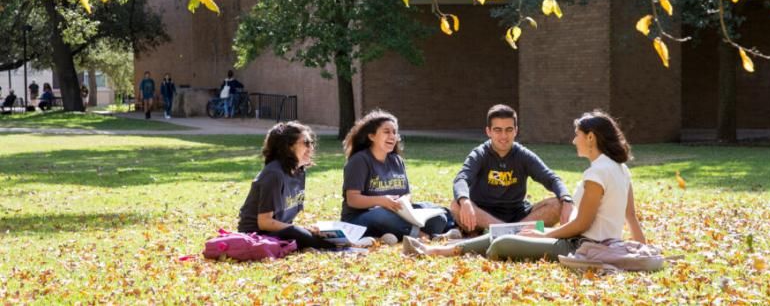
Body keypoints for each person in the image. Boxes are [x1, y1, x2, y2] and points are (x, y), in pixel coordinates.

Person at [404, 110, 646, 261]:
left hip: (580, 245)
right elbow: (631, 216)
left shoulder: (596, 173)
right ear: (489, 131)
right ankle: (439, 250)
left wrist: (547, 230)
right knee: (475, 217)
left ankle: (441, 250)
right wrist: (643, 249)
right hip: (583, 240)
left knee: (502, 243)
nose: (574, 140)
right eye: (497, 130)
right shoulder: (620, 169)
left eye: (577, 135)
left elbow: (581, 224)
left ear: (590, 138)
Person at [449, 104, 574, 234]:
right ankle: (513, 233)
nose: (504, 136)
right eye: (498, 130)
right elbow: (461, 179)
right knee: (456, 205)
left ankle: (504, 232)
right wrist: (465, 201)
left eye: (508, 130)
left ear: (515, 131)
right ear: (488, 131)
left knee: (557, 205)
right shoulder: (479, 154)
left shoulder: (523, 155)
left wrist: (567, 199)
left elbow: (552, 179)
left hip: (518, 216)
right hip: (483, 215)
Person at [341, 110, 457, 242]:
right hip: (361, 217)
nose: (392, 136)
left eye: (394, 132)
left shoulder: (396, 160)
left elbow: (407, 194)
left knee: (437, 214)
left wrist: (404, 202)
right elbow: (353, 199)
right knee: (382, 216)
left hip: (397, 212)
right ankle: (420, 235)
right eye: (386, 132)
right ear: (372, 136)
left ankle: (394, 235)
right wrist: (382, 201)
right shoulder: (359, 161)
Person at [237, 122, 336, 250]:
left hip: (277, 232)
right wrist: (300, 231)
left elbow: (285, 221)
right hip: (257, 235)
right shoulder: (274, 174)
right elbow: (264, 222)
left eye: (311, 143)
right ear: (288, 147)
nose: (311, 148)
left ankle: (340, 243)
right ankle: (342, 247)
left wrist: (305, 230)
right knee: (301, 234)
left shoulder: (299, 171)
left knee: (320, 233)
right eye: (306, 143)